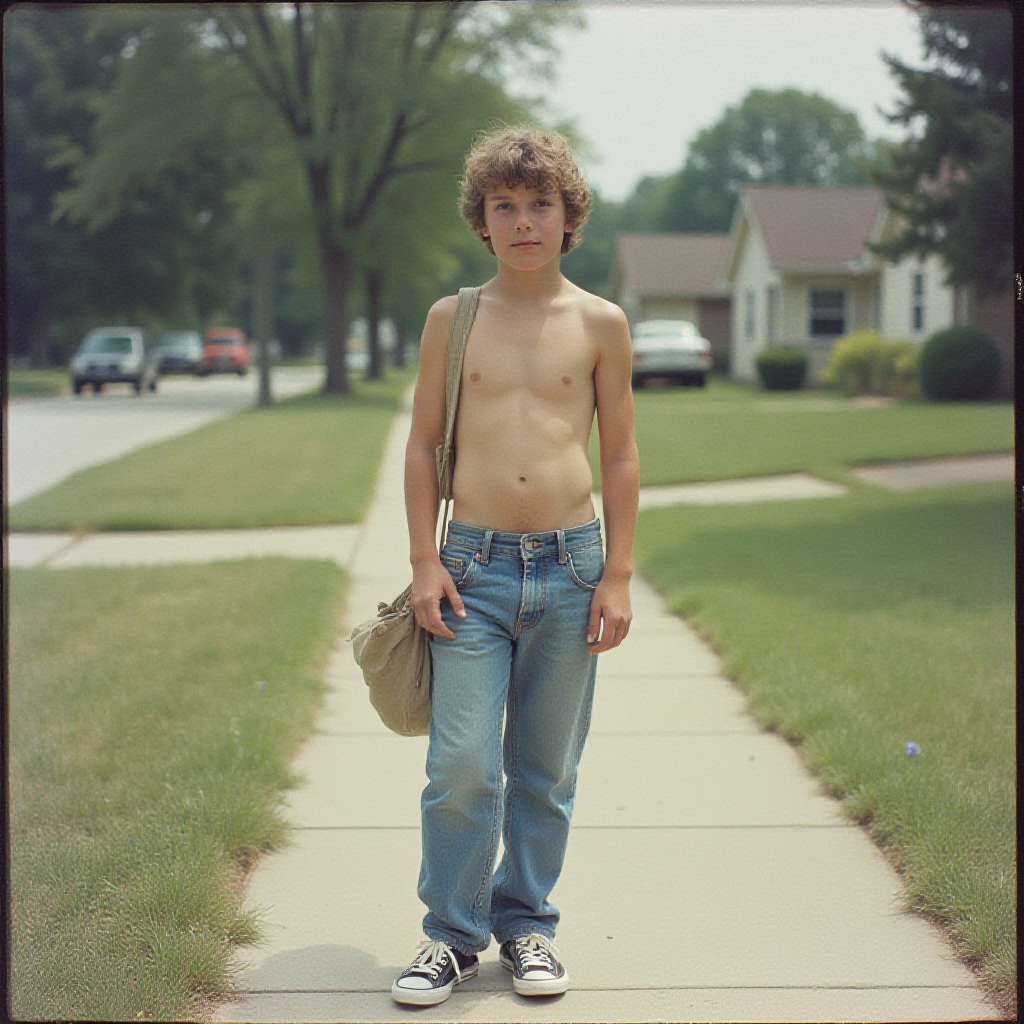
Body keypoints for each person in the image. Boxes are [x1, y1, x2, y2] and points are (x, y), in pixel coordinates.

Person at [393, 124, 639, 1007]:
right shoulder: (451, 320)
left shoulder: (602, 323)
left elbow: (619, 457)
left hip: (573, 570)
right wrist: (426, 559)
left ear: (569, 217)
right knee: (462, 764)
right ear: (483, 220)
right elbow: (423, 446)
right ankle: (450, 937)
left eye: (542, 204)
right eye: (507, 206)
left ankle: (527, 927)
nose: (525, 221)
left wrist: (616, 572)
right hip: (473, 569)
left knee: (545, 769)